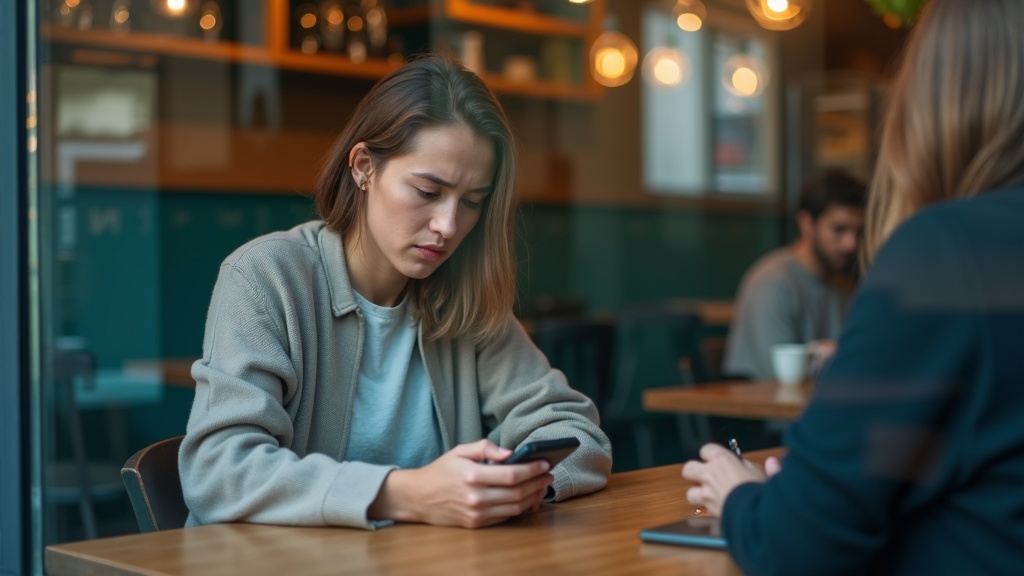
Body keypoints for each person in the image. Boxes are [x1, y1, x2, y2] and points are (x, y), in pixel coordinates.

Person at [179, 55, 612, 530]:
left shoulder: (462, 296)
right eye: (428, 192)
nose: (448, 226)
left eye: (471, 202)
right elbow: (218, 470)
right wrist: (405, 494)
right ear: (364, 167)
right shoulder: (266, 277)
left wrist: (521, 487)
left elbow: (573, 430)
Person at [682, 0, 1024, 573]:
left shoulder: (945, 251)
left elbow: (798, 546)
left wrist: (738, 494)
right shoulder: (782, 281)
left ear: (938, 98)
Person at [723, 169, 866, 382]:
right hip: (766, 410)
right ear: (806, 223)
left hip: (823, 406)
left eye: (858, 232)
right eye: (839, 229)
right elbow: (781, 377)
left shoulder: (844, 285)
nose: (850, 244)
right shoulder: (773, 283)